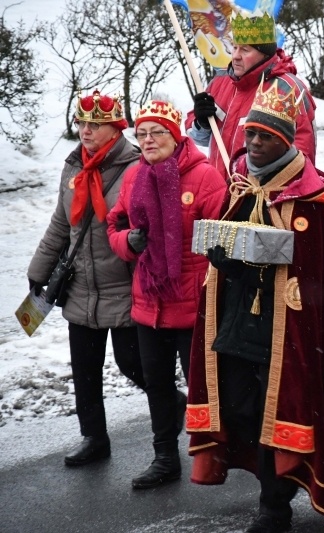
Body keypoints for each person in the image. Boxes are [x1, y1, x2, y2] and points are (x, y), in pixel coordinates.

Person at [186, 79, 324, 533]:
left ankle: (275, 506)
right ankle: (268, 490)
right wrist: (224, 261)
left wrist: (253, 271)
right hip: (236, 324)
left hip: (287, 333)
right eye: (250, 135)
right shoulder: (241, 184)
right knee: (243, 409)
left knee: (284, 410)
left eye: (265, 137)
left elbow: (310, 275)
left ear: (286, 142)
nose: (253, 144)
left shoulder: (310, 199)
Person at [106, 100, 227, 489]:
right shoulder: (133, 177)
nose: (147, 140)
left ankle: (217, 455)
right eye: (141, 133)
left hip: (192, 304)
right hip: (149, 301)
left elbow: (221, 239)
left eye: (156, 132)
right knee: (157, 384)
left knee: (203, 388)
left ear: (175, 136)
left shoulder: (205, 177)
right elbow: (115, 223)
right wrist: (129, 242)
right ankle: (164, 458)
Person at [27, 90, 146, 467]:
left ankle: (169, 404)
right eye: (81, 123)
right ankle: (94, 438)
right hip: (81, 287)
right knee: (85, 371)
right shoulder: (73, 166)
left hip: (124, 285)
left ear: (116, 128)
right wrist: (38, 272)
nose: (86, 131)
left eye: (95, 125)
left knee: (133, 364)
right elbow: (61, 225)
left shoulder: (136, 168)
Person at [186, 11, 316, 177]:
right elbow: (198, 138)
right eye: (234, 47)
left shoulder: (289, 89)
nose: (236, 56)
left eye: (245, 50)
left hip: (259, 195)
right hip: (218, 193)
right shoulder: (220, 82)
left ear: (265, 54)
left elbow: (303, 156)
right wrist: (202, 123)